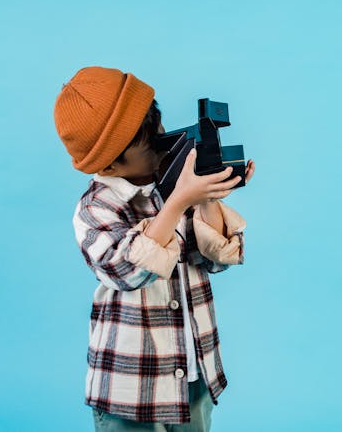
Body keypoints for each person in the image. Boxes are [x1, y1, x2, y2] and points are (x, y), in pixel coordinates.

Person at [53, 66, 255, 431]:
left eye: (158, 129)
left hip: (194, 373)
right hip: (131, 388)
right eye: (147, 143)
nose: (161, 143)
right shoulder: (96, 208)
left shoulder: (178, 182)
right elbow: (129, 272)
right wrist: (178, 203)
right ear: (110, 162)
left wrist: (208, 194)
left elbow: (213, 261)